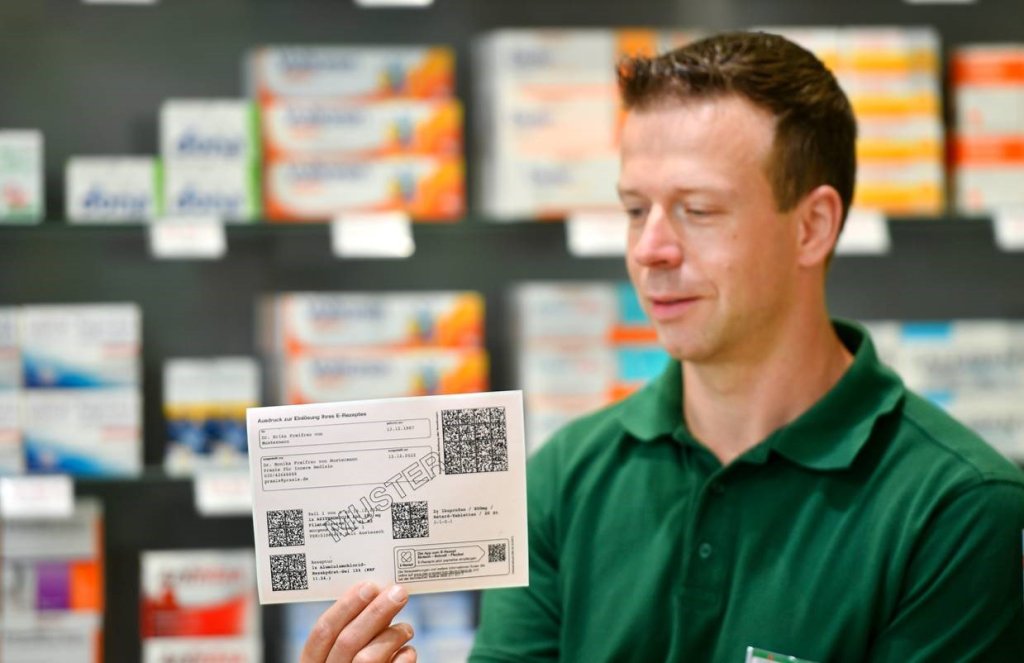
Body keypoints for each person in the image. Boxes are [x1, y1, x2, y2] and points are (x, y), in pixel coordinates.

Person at [300, 31, 1024, 663]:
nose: (650, 250)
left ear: (813, 227)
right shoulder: (564, 479)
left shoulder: (957, 507)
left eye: (698, 211)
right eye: (635, 209)